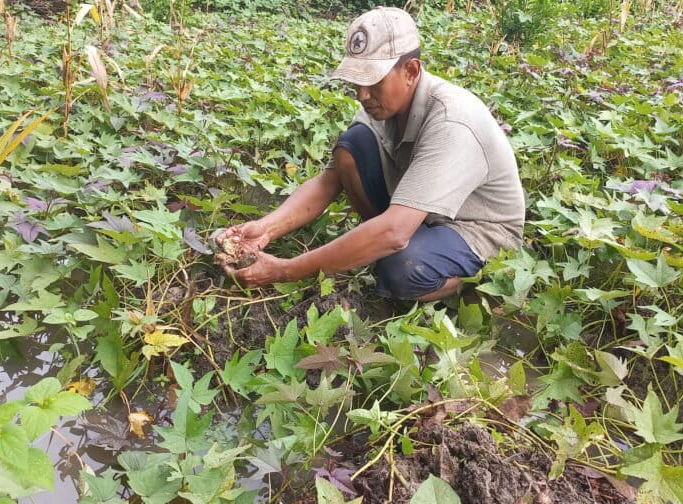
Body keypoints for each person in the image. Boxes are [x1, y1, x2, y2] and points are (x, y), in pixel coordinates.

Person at [220, 6, 525, 301]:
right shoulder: (382, 105)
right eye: (358, 81)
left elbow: (395, 232)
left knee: (402, 267)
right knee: (351, 148)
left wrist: (285, 271)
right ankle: (375, 243)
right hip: (420, 211)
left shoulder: (451, 121)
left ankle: (472, 282)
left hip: (474, 228)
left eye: (374, 81)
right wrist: (265, 229)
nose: (362, 94)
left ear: (411, 71)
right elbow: (328, 182)